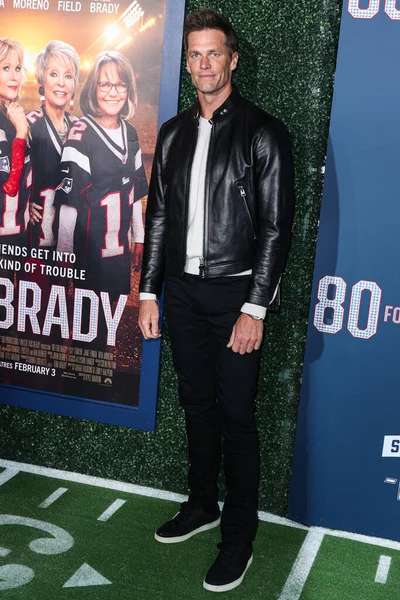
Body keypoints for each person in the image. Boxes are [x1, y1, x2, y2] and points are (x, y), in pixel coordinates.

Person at [138, 8, 294, 593]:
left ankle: (239, 538)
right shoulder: (176, 132)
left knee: (237, 416)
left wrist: (255, 307)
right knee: (196, 405)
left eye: (213, 53)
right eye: (194, 55)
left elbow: (278, 228)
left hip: (235, 295)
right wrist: (148, 289)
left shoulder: (263, 132)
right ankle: (201, 504)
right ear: (188, 63)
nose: (204, 64)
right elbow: (157, 218)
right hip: (180, 292)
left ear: (232, 59)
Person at [54, 50, 148, 299]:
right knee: (89, 327)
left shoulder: (131, 132)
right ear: (93, 89)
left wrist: (139, 237)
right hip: (90, 254)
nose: (113, 92)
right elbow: (69, 203)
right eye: (105, 84)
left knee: (111, 329)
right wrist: (65, 253)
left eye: (120, 84)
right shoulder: (80, 133)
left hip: (118, 253)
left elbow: (135, 193)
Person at [28, 40, 80, 250]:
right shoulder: (28, 123)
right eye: (53, 74)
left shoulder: (80, 127)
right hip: (37, 237)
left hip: (71, 239)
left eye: (68, 76)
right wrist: (23, 204)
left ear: (74, 83)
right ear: (42, 80)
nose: (61, 83)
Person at [0, 38, 30, 252]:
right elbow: (10, 187)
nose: (14, 76)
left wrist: (32, 201)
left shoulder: (12, 113)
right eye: (6, 68)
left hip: (15, 236)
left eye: (17, 68)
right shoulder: (17, 123)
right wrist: (21, 134)